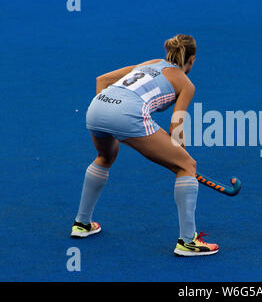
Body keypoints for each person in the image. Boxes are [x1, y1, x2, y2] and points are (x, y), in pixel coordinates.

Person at [70, 34, 219, 256]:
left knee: (106, 156)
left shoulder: (149, 63)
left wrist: (112, 121)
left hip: (98, 107)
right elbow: (176, 126)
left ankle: (82, 224)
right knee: (187, 165)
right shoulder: (186, 84)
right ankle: (188, 242)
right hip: (127, 114)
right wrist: (181, 162)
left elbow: (101, 80)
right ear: (192, 59)